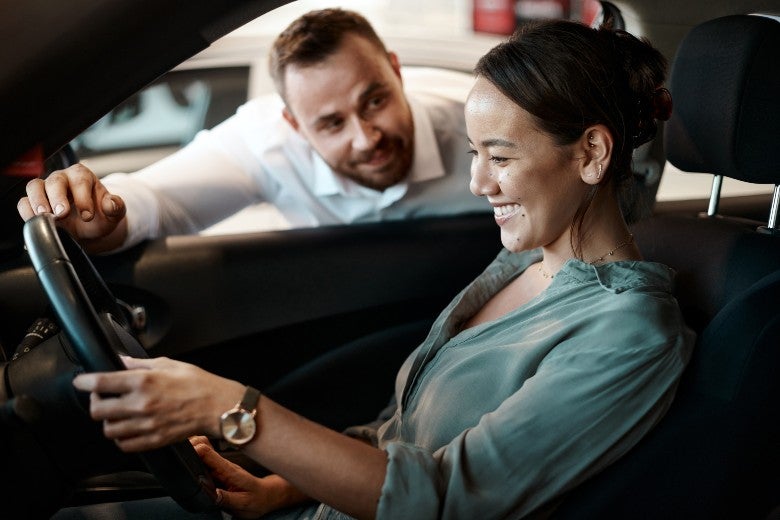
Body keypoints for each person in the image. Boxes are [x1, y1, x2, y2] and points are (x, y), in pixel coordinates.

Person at [62, 18, 692, 520]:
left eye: (498, 158)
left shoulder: (627, 334)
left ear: (591, 152)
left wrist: (229, 406)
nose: (476, 183)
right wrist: (283, 486)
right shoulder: (522, 260)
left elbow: (447, 499)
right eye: (474, 154)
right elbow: (405, 433)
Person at [16, 8, 488, 254]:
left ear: (395, 72)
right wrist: (99, 213)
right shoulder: (266, 140)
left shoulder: (485, 124)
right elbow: (159, 202)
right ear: (293, 125)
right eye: (330, 123)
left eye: (376, 101)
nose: (366, 137)